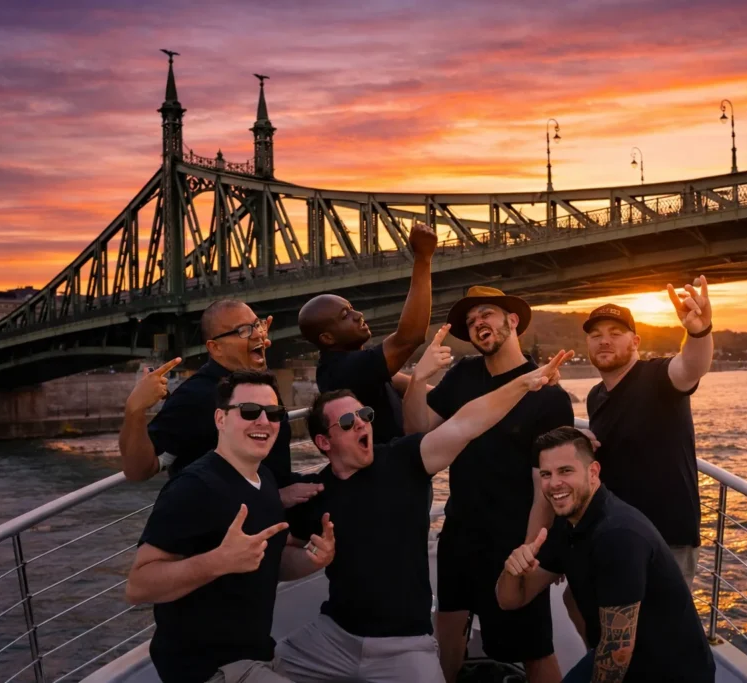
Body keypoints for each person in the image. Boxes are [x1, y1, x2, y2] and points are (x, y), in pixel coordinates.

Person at [276, 349, 573, 683]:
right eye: (347, 422)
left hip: (404, 646)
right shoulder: (314, 493)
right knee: (264, 671)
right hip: (334, 637)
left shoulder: (404, 462)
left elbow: (465, 423)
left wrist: (523, 384)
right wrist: (310, 560)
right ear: (323, 441)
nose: (361, 423)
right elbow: (279, 553)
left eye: (365, 414)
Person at [403, 286, 574, 683]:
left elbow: (546, 486)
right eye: (470, 320)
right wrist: (418, 379)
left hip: (513, 541)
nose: (478, 323)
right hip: (461, 530)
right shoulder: (463, 375)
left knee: (534, 648)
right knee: (447, 630)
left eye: (486, 314)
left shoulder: (548, 395)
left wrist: (531, 552)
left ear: (512, 321)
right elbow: (417, 430)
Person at [125, 370, 336, 683]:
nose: (264, 421)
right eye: (250, 412)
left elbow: (267, 564)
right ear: (220, 419)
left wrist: (312, 560)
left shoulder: (263, 478)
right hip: (208, 669)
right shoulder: (194, 488)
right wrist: (217, 562)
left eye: (273, 412)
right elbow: (138, 586)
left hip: (258, 655)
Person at [496, 427, 716, 683]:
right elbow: (511, 600)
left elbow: (617, 651)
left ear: (593, 472)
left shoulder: (617, 536)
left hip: (670, 674)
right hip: (622, 661)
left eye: (566, 471)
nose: (554, 483)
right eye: (546, 474)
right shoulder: (567, 525)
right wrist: (512, 570)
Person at [118, 299, 322, 508]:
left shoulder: (258, 381)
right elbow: (138, 470)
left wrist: (254, 346)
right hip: (229, 519)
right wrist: (135, 409)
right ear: (215, 348)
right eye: (243, 330)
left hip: (272, 507)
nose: (258, 334)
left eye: (257, 325)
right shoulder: (195, 396)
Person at [582, 276, 714, 586]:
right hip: (614, 532)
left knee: (661, 630)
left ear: (635, 342)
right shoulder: (595, 396)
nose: (604, 341)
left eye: (616, 334)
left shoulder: (658, 377)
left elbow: (691, 367)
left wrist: (699, 331)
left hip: (666, 538)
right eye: (596, 335)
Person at [298, 221, 437, 445]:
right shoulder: (344, 371)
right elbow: (409, 339)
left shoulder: (354, 366)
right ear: (327, 338)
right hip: (386, 475)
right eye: (345, 315)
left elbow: (410, 385)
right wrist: (423, 259)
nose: (359, 315)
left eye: (352, 308)